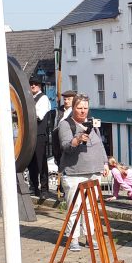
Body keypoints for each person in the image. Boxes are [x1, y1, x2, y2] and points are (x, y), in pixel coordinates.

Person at [58, 95, 109, 252]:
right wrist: (78, 138)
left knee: (90, 208)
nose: (83, 111)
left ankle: (89, 237)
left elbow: (99, 144)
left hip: (94, 172)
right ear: (73, 108)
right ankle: (72, 238)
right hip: (74, 173)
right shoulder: (65, 124)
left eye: (85, 108)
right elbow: (66, 146)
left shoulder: (92, 123)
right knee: (74, 207)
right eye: (79, 108)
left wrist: (105, 163)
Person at [27, 76, 51, 196]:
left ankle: (44, 189)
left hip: (39, 134)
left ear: (40, 86)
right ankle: (34, 186)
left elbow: (39, 116)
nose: (33, 85)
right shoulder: (29, 98)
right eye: (31, 83)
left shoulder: (43, 98)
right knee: (31, 162)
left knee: (41, 161)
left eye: (35, 84)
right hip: (30, 134)